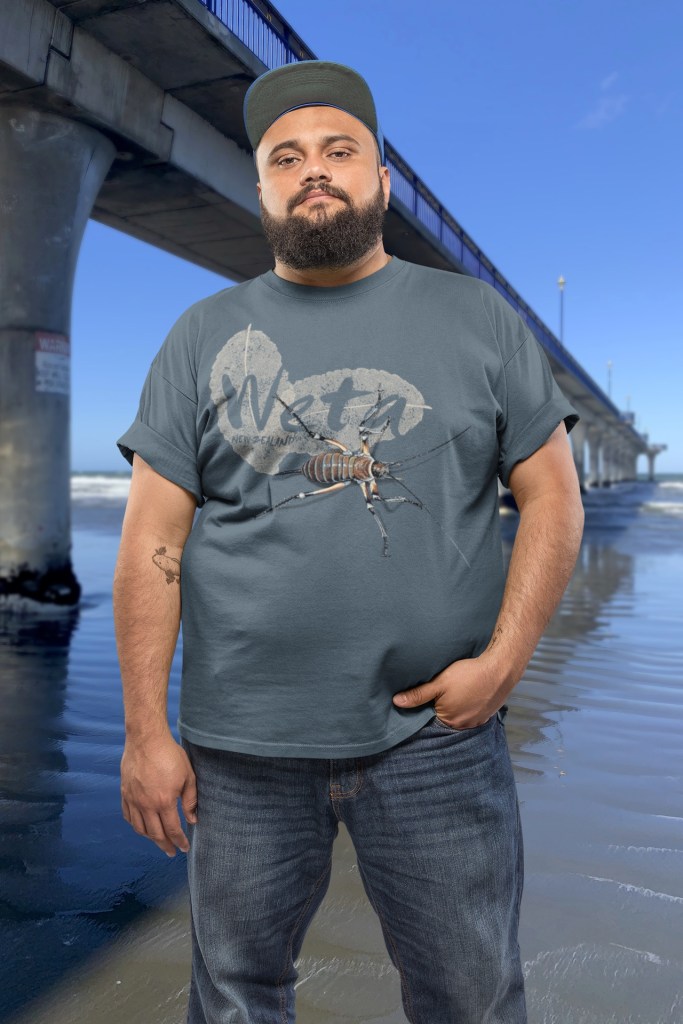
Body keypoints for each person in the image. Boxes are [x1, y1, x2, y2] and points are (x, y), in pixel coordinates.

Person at [113, 60, 584, 1024]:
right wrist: (144, 733)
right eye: (285, 158)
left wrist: (504, 664)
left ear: (382, 179)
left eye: (338, 150)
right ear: (261, 190)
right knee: (236, 1000)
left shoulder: (475, 317)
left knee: (471, 999)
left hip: (434, 739)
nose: (312, 170)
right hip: (239, 747)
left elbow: (553, 499)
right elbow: (151, 540)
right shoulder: (202, 335)